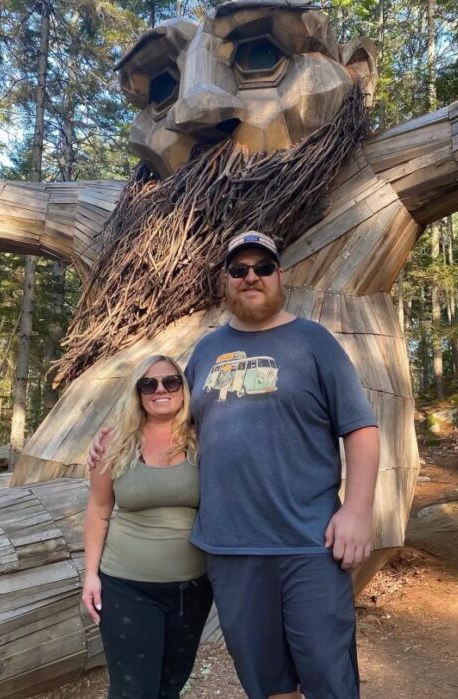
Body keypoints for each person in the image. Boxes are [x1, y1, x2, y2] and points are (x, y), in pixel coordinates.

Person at [89, 231, 380, 699]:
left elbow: (360, 427)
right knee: (267, 681)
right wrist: (111, 436)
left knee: (329, 676)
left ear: (280, 275)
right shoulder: (207, 351)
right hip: (230, 550)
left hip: (309, 541)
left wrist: (359, 509)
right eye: (239, 269)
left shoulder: (314, 341)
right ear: (225, 280)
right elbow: (169, 414)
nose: (251, 277)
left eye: (262, 268)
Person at [82, 354, 213, 699]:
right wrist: (90, 575)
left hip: (192, 589)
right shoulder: (115, 443)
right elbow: (98, 509)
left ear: (183, 389)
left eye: (171, 381)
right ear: (137, 393)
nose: (160, 390)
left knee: (170, 687)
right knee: (133, 690)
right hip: (126, 587)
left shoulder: (205, 440)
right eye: (148, 384)